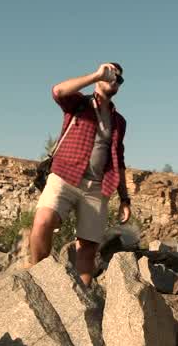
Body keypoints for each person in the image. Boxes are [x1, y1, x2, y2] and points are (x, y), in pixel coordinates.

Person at [29, 62, 132, 286]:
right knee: (42, 222)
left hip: (97, 186)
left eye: (118, 79)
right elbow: (57, 91)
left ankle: (82, 299)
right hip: (65, 175)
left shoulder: (119, 121)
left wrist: (124, 199)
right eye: (110, 74)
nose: (113, 80)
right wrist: (96, 75)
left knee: (87, 247)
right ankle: (37, 279)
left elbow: (119, 160)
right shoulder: (79, 103)